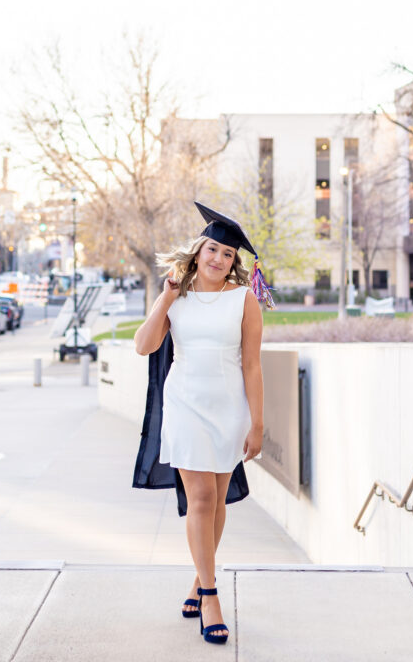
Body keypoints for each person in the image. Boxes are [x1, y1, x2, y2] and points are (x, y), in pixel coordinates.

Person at [132, 201, 274, 646]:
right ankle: (211, 594)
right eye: (212, 249)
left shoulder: (244, 300)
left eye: (228, 254)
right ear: (198, 252)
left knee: (217, 501)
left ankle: (199, 577)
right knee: (201, 497)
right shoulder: (177, 297)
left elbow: (252, 365)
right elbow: (144, 346)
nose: (218, 259)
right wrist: (166, 296)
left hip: (229, 408)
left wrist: (257, 423)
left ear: (235, 263)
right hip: (186, 405)